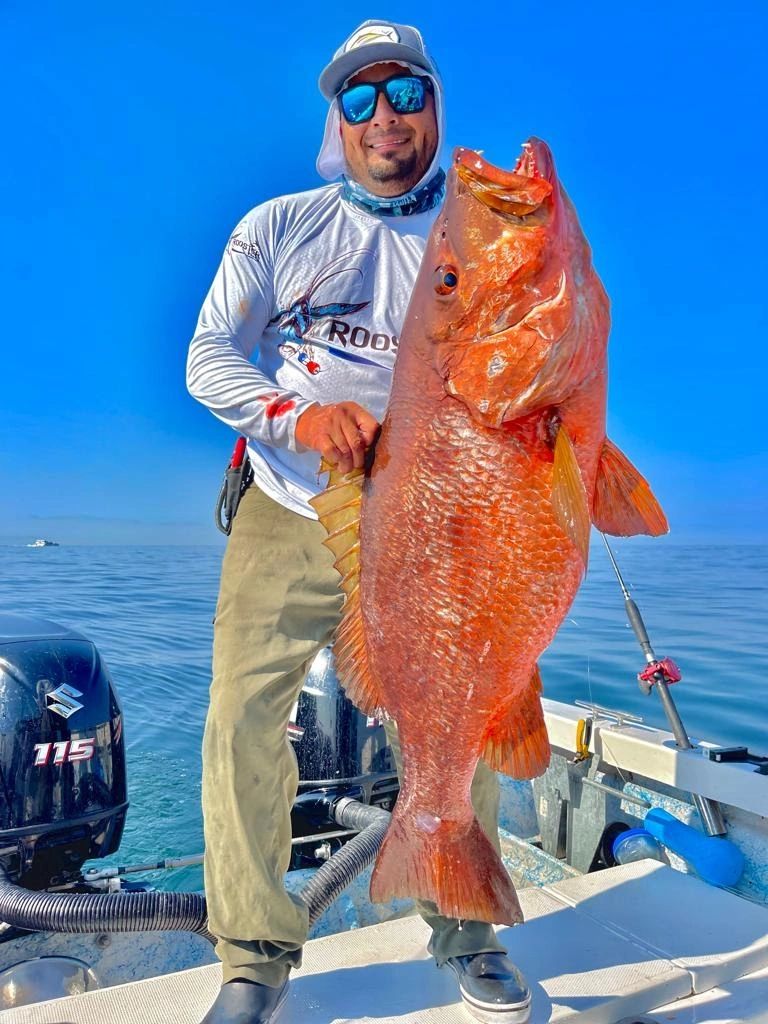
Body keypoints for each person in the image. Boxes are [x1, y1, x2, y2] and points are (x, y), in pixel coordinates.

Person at [187, 20, 532, 1024]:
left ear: (435, 102)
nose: (384, 116)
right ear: (336, 119)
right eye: (358, 98)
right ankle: (253, 953)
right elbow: (209, 356)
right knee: (242, 719)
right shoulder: (277, 226)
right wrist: (299, 414)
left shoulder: (475, 231)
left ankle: (465, 927)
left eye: (405, 92)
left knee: (472, 699)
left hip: (437, 525)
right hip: (293, 508)